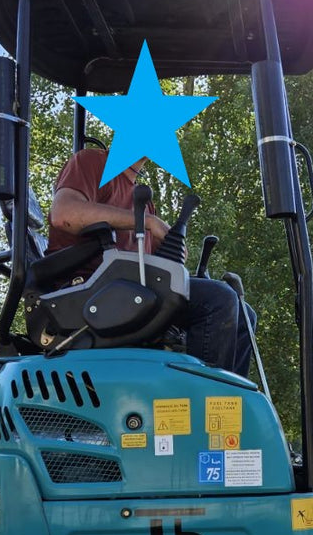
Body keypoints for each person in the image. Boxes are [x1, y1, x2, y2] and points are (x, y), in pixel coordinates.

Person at [48, 147, 255, 378]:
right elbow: (63, 214)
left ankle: (227, 407)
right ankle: (205, 407)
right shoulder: (93, 162)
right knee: (218, 300)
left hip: (129, 291)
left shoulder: (142, 199)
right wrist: (146, 221)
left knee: (243, 314)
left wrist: (173, 249)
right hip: (88, 292)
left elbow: (154, 264)